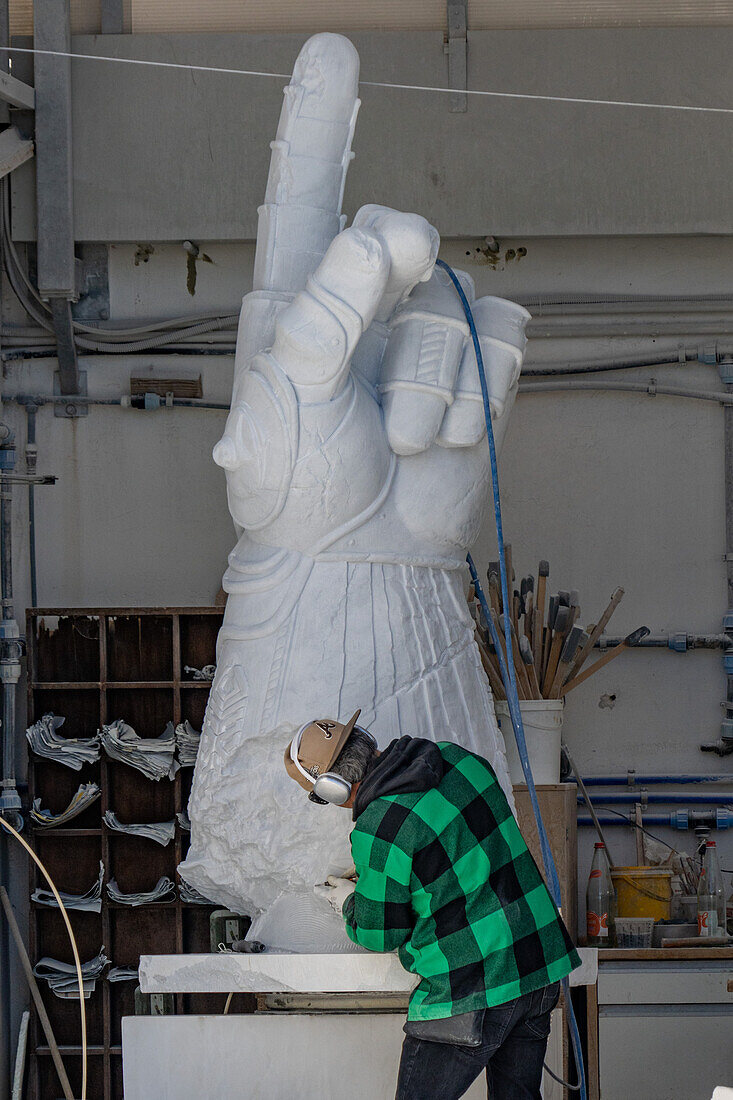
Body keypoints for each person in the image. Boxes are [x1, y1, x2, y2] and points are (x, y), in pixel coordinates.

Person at [284, 710, 581, 1100]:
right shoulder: (459, 760)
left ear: (335, 788)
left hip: (471, 987)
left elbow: (379, 933)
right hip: (537, 966)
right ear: (366, 740)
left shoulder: (379, 830)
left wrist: (349, 902)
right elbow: (460, 860)